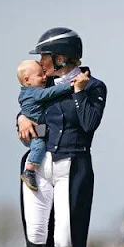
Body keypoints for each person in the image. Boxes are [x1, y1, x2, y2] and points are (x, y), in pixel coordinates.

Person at [17, 27, 108, 247]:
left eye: (45, 56)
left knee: (66, 240)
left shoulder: (95, 87)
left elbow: (88, 124)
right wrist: (19, 118)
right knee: (36, 232)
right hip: (39, 166)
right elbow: (27, 106)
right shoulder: (44, 85)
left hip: (73, 164)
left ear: (61, 57)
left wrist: (78, 92)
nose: (41, 62)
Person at [16, 60, 89, 190]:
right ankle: (29, 170)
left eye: (44, 73)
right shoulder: (34, 92)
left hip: (37, 129)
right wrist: (70, 86)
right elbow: (50, 93)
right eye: (40, 75)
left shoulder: (26, 92)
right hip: (35, 131)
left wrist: (21, 118)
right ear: (27, 80)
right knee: (39, 146)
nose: (45, 77)